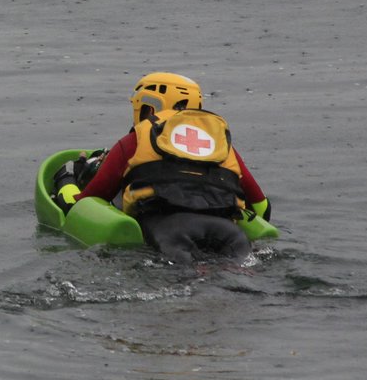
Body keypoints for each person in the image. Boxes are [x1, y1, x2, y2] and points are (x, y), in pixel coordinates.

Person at [54, 72, 272, 263]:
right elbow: (262, 209)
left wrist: (66, 181)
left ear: (149, 106)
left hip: (170, 233)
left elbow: (83, 203)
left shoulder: (134, 142)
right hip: (230, 234)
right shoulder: (223, 145)